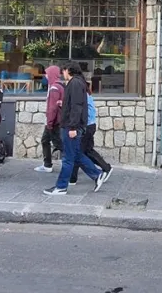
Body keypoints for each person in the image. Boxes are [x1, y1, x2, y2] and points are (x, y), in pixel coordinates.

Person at [43, 62, 106, 196]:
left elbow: (77, 106)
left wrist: (72, 127)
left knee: (67, 158)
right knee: (76, 154)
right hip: (72, 125)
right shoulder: (76, 83)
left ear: (68, 71)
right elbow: (74, 104)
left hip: (71, 127)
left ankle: (61, 187)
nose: (62, 74)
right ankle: (97, 174)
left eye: (63, 71)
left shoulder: (75, 84)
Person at [69, 87, 112, 186]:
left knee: (78, 152)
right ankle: (106, 168)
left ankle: (73, 178)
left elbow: (79, 111)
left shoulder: (82, 96)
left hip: (86, 126)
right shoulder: (87, 95)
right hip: (91, 125)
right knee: (88, 150)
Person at [34, 65, 64, 173]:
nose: (45, 76)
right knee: (46, 140)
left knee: (58, 144)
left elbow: (52, 108)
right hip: (56, 120)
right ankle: (47, 164)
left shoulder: (54, 88)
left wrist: (49, 122)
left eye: (47, 73)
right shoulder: (59, 85)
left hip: (54, 121)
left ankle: (76, 163)